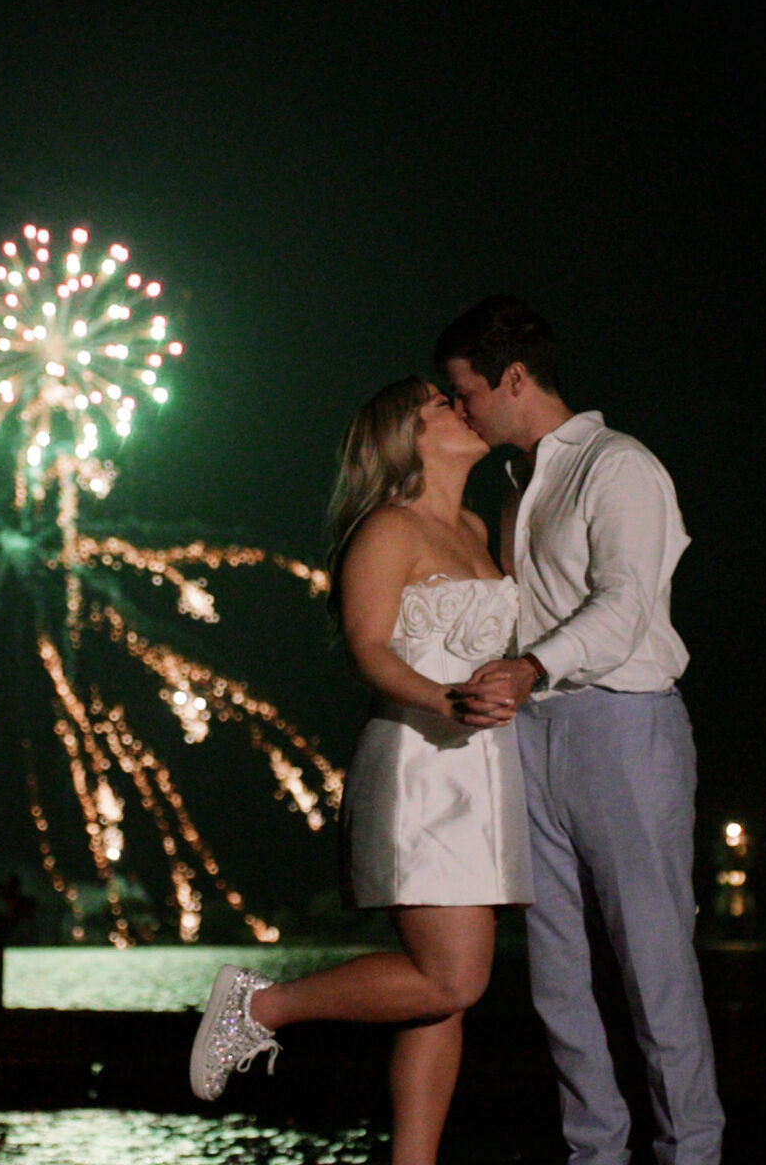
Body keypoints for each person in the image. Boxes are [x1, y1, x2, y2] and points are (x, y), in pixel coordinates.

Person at [189, 375, 532, 1165]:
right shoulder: (387, 528)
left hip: (483, 771)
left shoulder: (478, 526)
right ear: (406, 437)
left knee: (438, 1003)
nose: (460, 406)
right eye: (440, 405)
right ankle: (262, 1005)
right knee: (454, 980)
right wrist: (445, 700)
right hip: (422, 766)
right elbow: (367, 647)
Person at [439, 296, 724, 1165]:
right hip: (534, 734)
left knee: (652, 962)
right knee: (557, 973)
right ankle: (593, 1151)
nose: (460, 410)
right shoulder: (521, 482)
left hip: (624, 727)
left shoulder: (619, 465)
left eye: (466, 392)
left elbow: (627, 605)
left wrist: (528, 667)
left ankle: (692, 1152)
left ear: (513, 377)